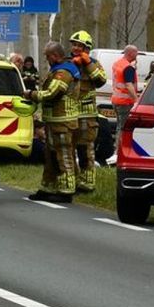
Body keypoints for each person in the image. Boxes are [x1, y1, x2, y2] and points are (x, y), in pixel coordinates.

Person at [25, 41, 82, 203]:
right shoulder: (58, 70)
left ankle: (66, 189)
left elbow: (52, 93)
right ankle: (48, 187)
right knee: (50, 156)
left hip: (63, 122)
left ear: (56, 56)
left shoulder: (63, 72)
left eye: (48, 56)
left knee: (64, 155)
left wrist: (31, 94)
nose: (46, 59)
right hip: (54, 121)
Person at [69, 30, 107, 192]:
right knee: (68, 150)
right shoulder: (68, 63)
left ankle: (88, 183)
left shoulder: (94, 64)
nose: (76, 48)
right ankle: (74, 181)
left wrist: (88, 64)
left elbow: (101, 81)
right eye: (74, 45)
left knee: (85, 150)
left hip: (87, 116)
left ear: (87, 48)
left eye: (80, 46)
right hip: (69, 114)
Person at [111, 45, 141, 147]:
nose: (137, 55)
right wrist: (136, 100)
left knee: (119, 126)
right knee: (123, 127)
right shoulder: (128, 67)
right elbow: (129, 85)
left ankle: (117, 150)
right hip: (125, 102)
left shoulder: (117, 63)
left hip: (116, 100)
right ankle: (119, 151)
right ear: (131, 53)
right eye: (136, 53)